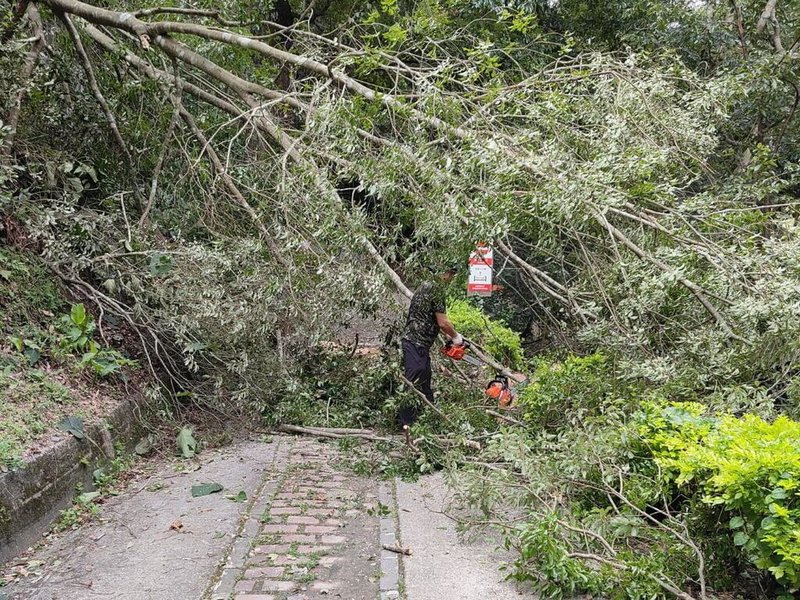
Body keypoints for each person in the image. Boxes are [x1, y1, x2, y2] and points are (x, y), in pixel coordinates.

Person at [400, 264, 463, 446]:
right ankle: (406, 423)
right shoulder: (436, 290)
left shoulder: (425, 285)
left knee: (425, 379)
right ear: (445, 273)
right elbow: (442, 322)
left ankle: (429, 418)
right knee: (413, 378)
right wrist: (456, 337)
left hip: (420, 343)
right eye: (450, 274)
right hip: (414, 341)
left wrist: (453, 336)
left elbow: (429, 318)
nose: (451, 278)